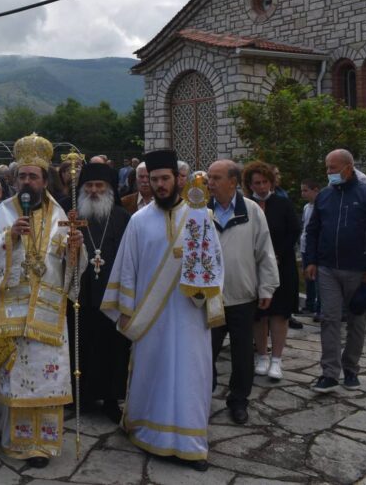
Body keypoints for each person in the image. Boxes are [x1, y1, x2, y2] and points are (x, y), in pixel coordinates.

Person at [102, 149, 225, 472]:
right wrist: (125, 310)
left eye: (164, 179)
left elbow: (216, 264)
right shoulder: (139, 221)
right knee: (152, 374)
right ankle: (148, 431)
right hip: (151, 318)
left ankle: (192, 444)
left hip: (191, 315)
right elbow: (126, 267)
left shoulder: (200, 217)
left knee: (191, 377)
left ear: (177, 179)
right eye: (153, 179)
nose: (159, 185)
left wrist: (205, 291)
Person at [0, 134, 85, 469]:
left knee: (46, 379)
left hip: (49, 315)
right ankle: (17, 439)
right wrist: (8, 238)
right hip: (13, 312)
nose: (26, 181)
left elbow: (66, 261)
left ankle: (44, 443)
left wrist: (74, 248)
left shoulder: (60, 213)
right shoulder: (3, 213)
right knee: (17, 379)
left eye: (33, 176)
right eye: (21, 176)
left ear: (45, 179)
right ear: (15, 179)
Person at [303, 149, 366, 393]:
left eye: (333, 168)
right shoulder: (324, 197)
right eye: (327, 168)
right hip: (328, 268)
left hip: (359, 270)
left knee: (356, 321)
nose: (329, 172)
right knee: (329, 319)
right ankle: (329, 373)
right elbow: (313, 231)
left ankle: (351, 368)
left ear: (348, 168)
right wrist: (310, 260)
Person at [205, 160, 277, 425]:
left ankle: (238, 400)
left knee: (243, 354)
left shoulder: (252, 210)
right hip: (209, 298)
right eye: (209, 177)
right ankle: (204, 393)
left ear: (233, 182)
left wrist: (267, 286)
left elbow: (264, 251)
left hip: (242, 296)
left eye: (216, 178)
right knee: (205, 351)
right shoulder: (200, 209)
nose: (209, 183)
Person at [61, 162, 130, 424]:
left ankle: (112, 399)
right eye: (88, 185)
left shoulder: (123, 218)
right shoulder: (72, 216)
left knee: (113, 348)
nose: (93, 190)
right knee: (82, 344)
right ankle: (81, 396)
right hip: (80, 294)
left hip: (112, 295)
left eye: (99, 185)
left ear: (110, 189)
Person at [244, 161, 300, 382]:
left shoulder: (283, 204)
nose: (261, 187)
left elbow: (293, 231)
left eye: (265, 182)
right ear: (250, 185)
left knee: (279, 312)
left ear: (272, 182)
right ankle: (262, 355)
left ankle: (277, 358)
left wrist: (276, 254)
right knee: (259, 314)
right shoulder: (246, 206)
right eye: (257, 183)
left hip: (281, 265)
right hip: (254, 267)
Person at [299, 179, 321, 319]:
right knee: (308, 277)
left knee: (318, 279)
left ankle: (319, 308)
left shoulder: (321, 207)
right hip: (304, 246)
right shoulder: (306, 207)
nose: (303, 194)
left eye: (306, 190)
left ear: (315, 190)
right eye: (302, 190)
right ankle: (310, 304)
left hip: (315, 247)